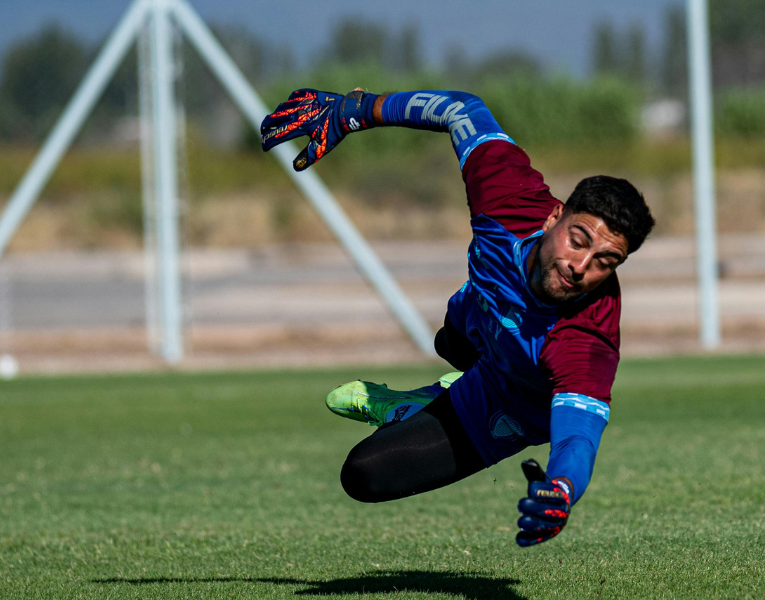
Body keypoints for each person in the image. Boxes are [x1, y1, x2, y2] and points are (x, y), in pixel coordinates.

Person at [261, 88, 655, 546]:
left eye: (606, 261)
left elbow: (578, 440)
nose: (581, 266)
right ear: (553, 217)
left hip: (511, 403)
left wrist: (561, 492)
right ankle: (447, 383)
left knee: (363, 475)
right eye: (579, 239)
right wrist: (355, 110)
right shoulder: (509, 198)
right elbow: (460, 109)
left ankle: (414, 406)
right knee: (449, 344)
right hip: (476, 318)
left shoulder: (586, 340)